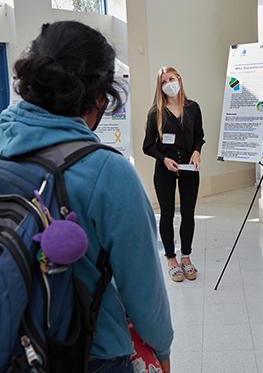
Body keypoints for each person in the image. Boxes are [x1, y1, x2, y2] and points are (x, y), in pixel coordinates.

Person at [0, 21, 173, 373]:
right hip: (90, 351)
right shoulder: (108, 172)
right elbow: (144, 292)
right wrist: (162, 346)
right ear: (99, 95)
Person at [143, 66, 204, 282]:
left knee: (188, 214)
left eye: (172, 78)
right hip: (165, 170)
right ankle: (171, 259)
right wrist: (164, 159)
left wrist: (197, 152)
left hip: (189, 170)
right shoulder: (156, 113)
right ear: (160, 87)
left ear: (179, 78)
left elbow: (199, 136)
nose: (169, 83)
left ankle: (186, 257)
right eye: (164, 81)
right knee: (167, 214)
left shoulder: (193, 108)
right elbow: (148, 146)